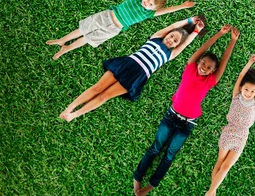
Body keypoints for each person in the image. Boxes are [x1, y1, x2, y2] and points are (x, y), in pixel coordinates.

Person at [134, 24, 239, 196]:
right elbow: (203, 48)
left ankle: (151, 186)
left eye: (209, 67)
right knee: (155, 147)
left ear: (213, 71)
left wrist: (232, 41)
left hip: (187, 124)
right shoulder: (191, 67)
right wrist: (220, 33)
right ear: (198, 61)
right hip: (171, 116)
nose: (204, 67)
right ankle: (138, 177)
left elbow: (225, 61)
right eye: (203, 63)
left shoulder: (210, 80)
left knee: (169, 155)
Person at [59, 16, 203, 122]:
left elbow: (185, 44)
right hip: (127, 64)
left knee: (104, 96)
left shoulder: (170, 54)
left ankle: (74, 115)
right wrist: (189, 20)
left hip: (138, 76)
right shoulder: (156, 37)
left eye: (175, 41)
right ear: (167, 34)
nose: (171, 40)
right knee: (97, 88)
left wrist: (196, 31)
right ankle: (69, 108)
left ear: (176, 45)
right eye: (171, 36)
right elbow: (173, 25)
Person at [46, 0, 192, 59]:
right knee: (83, 30)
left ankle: (66, 48)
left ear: (153, 9)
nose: (147, 3)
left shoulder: (149, 13)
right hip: (107, 16)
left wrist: (182, 6)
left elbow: (167, 10)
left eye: (151, 4)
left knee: (88, 39)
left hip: (114, 29)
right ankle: (62, 40)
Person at [205, 54, 255, 196]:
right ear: (241, 88)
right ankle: (212, 192)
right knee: (219, 163)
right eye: (246, 89)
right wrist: (250, 62)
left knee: (226, 166)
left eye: (252, 91)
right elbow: (241, 76)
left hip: (242, 136)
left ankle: (211, 191)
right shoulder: (236, 96)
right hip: (229, 131)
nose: (248, 93)